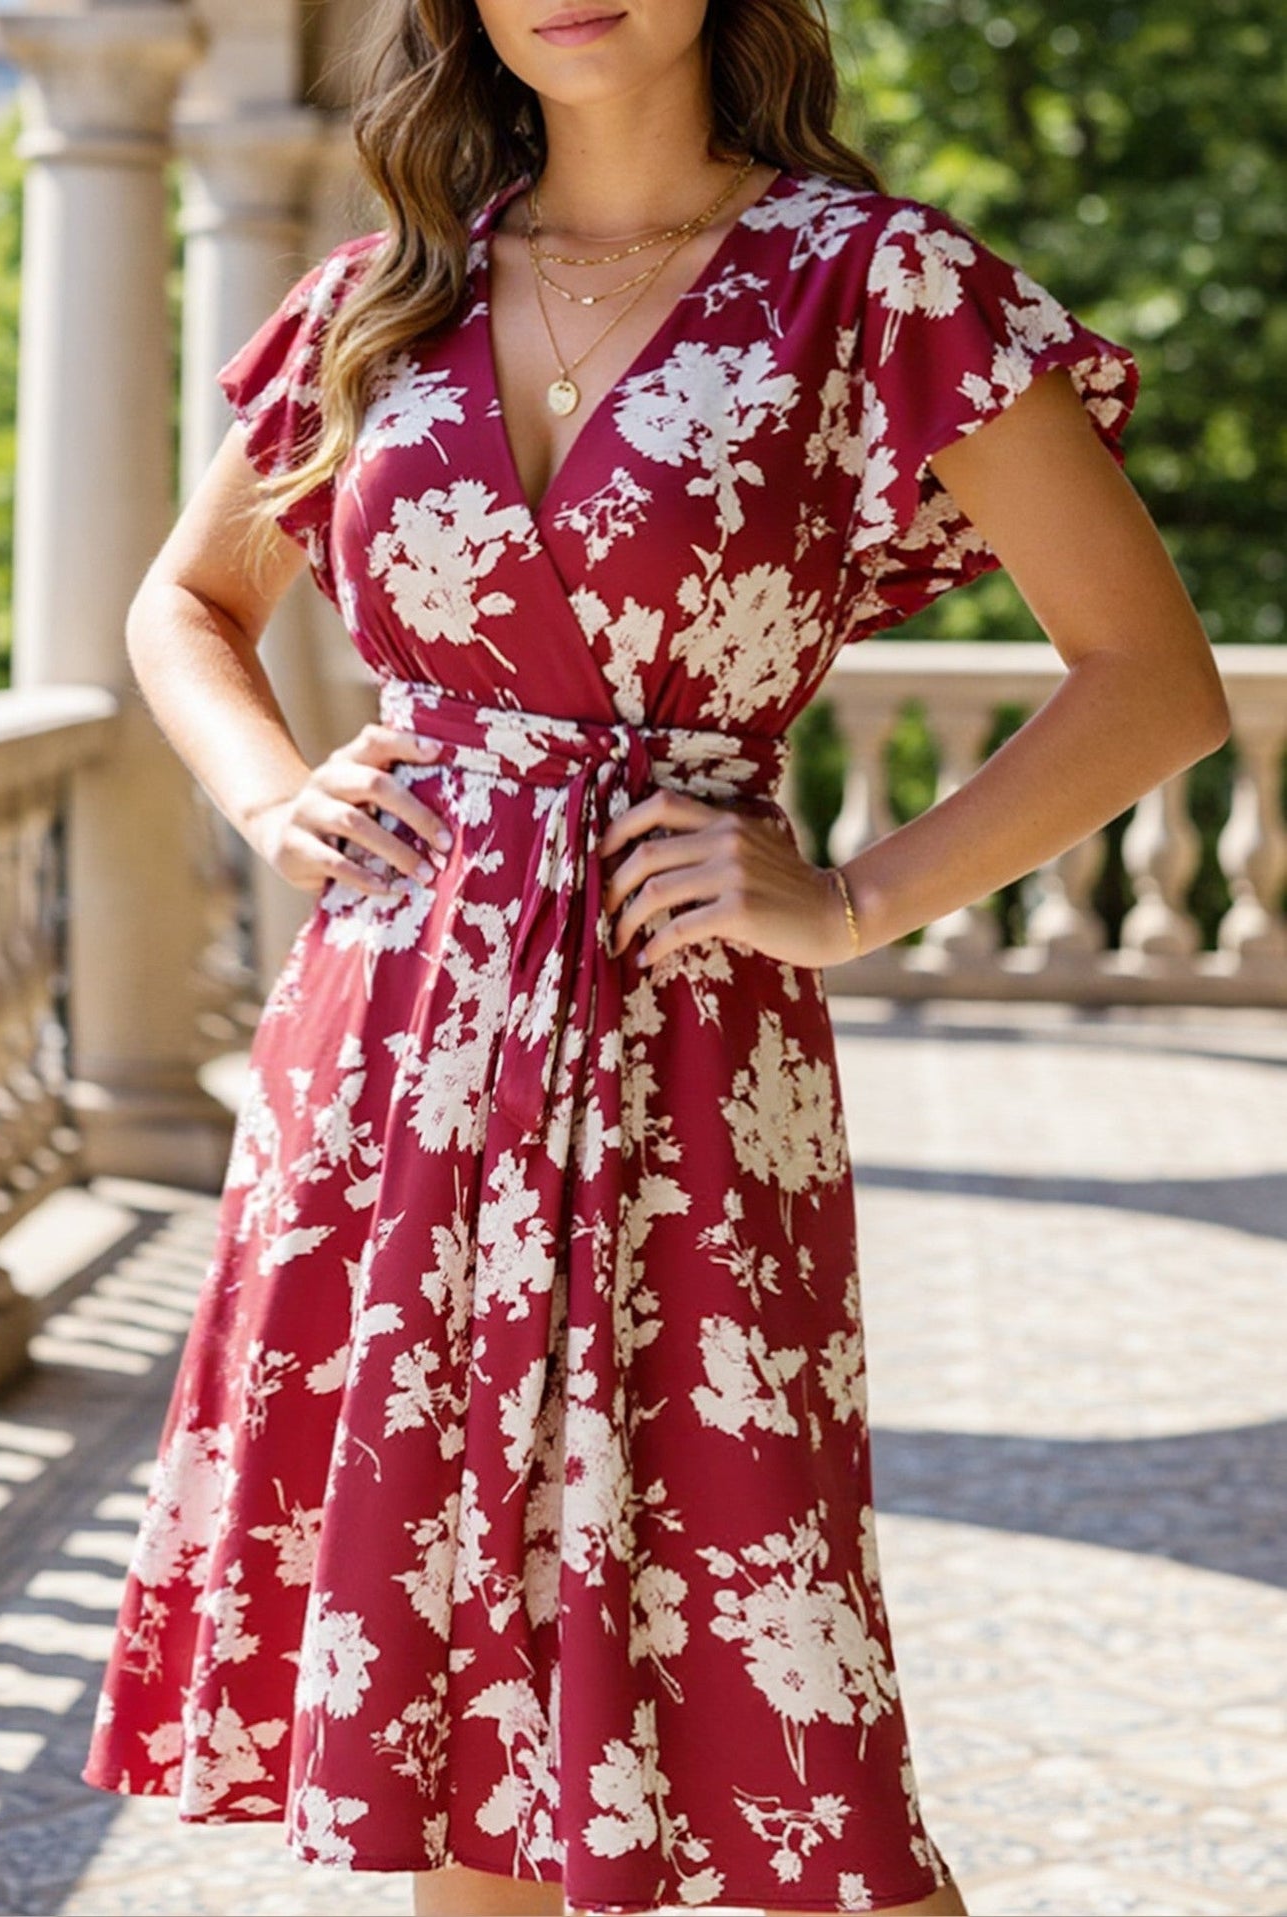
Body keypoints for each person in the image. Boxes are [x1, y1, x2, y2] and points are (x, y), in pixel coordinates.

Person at [80, 3, 1231, 1914]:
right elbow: (188, 602)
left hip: (677, 1038)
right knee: (455, 1691)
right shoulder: (388, 286)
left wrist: (855, 897)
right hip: (390, 1042)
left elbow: (1153, 680)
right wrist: (273, 796)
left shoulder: (873, 282)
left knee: (768, 1682)